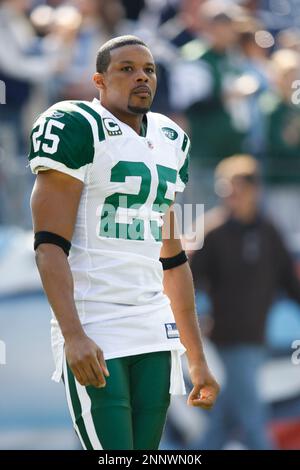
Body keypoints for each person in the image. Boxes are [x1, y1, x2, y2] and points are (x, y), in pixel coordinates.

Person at [28, 35, 219, 451]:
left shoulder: (171, 138)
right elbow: (48, 246)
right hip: (95, 320)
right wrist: (73, 334)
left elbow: (174, 258)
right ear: (99, 80)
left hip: (153, 324)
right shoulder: (76, 124)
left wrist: (197, 359)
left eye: (148, 69)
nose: (141, 77)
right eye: (127, 69)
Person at [189, 154, 300, 449]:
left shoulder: (269, 231)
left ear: (254, 190)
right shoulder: (211, 231)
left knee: (221, 423)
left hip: (257, 337)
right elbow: (184, 282)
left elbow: (290, 283)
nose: (231, 196)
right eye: (226, 189)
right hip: (228, 339)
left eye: (237, 189)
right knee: (254, 421)